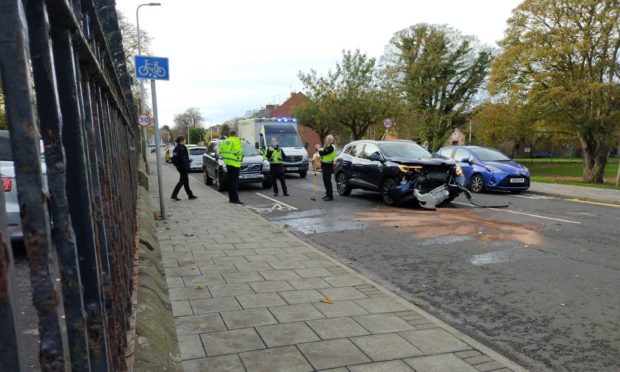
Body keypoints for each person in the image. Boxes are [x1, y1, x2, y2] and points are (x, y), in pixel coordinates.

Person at [218, 129, 244, 204]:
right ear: (235, 134)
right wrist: (240, 153)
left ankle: (231, 198)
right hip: (235, 163)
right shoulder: (236, 140)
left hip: (227, 163)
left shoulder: (225, 141)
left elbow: (220, 151)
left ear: (230, 134)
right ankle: (235, 199)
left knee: (230, 181)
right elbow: (237, 151)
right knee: (235, 182)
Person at [170, 136, 197, 201]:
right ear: (181, 140)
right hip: (183, 168)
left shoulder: (180, 148)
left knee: (186, 181)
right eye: (184, 140)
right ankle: (174, 195)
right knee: (182, 181)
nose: (185, 141)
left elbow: (182, 158)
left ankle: (190, 195)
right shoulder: (180, 148)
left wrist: (187, 162)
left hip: (183, 167)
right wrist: (181, 165)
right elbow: (176, 159)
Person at [315, 134, 336, 201]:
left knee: (328, 181)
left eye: (326, 139)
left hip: (328, 165)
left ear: (330, 141)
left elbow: (322, 153)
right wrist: (318, 148)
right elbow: (321, 150)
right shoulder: (326, 146)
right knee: (325, 181)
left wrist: (318, 148)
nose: (325, 140)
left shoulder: (331, 147)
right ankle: (327, 194)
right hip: (324, 165)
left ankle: (330, 196)